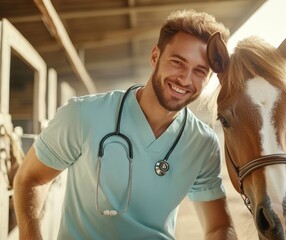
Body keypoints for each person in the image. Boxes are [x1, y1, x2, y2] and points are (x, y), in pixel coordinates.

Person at [13, 9, 237, 240]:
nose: (185, 79)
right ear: (154, 56)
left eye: (200, 71)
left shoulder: (203, 144)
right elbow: (30, 178)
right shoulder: (82, 115)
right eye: (177, 62)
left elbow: (219, 226)